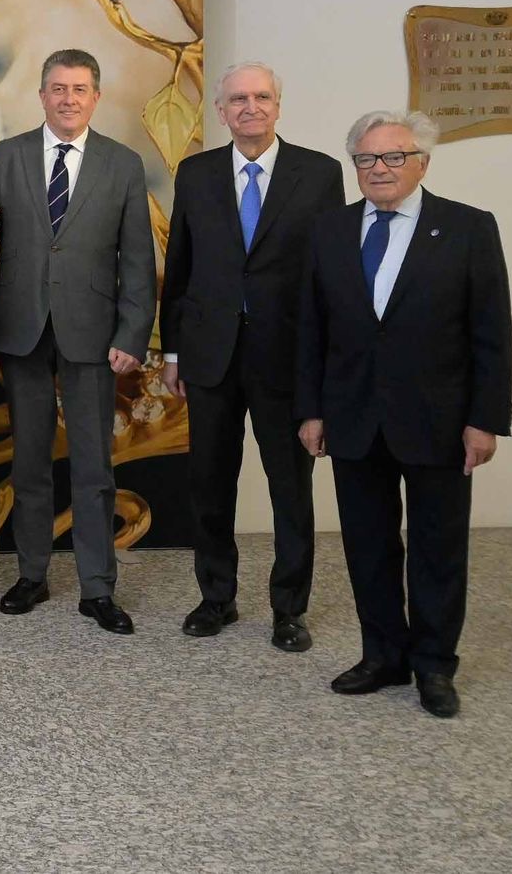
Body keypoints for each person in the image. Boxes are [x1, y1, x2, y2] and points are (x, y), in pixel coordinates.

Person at [296, 110, 512, 719]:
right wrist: (311, 411)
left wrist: (485, 419)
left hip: (439, 419)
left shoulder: (468, 227)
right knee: (368, 545)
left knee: (437, 548)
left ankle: (435, 665)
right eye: (366, 158)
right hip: (353, 416)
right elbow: (312, 329)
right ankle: (383, 655)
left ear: (422, 163)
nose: (380, 168)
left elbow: (492, 333)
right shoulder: (329, 230)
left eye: (395, 156)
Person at [160, 63, 344, 651]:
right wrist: (172, 351)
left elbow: (331, 275)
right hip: (210, 356)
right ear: (221, 111)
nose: (250, 107)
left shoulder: (320, 173)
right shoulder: (196, 174)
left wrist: (328, 361)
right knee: (210, 483)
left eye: (262, 96)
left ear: (278, 105)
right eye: (238, 99)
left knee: (290, 488)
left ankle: (289, 609)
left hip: (286, 357)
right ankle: (216, 597)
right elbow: (180, 268)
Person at [0, 48, 156, 634]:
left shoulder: (123, 164)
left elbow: (137, 259)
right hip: (21, 330)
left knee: (93, 466)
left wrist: (133, 333)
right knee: (29, 461)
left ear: (96, 97)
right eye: (58, 88)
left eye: (79, 89)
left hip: (95, 335)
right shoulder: (4, 158)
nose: (68, 99)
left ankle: (97, 588)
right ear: (41, 95)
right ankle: (31, 574)